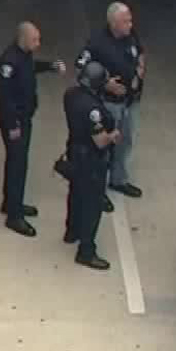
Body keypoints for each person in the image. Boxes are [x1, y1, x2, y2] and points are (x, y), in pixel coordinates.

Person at [0, 20, 63, 238]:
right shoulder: (8, 62)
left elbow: (31, 68)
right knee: (18, 164)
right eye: (35, 40)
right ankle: (14, 216)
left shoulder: (24, 56)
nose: (38, 43)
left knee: (17, 161)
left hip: (24, 118)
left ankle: (11, 202)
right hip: (15, 121)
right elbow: (5, 98)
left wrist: (50, 66)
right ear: (22, 38)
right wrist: (13, 125)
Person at [76, 1, 145, 199]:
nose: (130, 24)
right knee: (104, 146)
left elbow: (140, 53)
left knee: (126, 141)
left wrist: (139, 73)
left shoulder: (130, 35)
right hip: (109, 104)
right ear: (113, 23)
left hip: (130, 101)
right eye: (125, 21)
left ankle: (119, 180)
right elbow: (80, 67)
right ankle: (99, 188)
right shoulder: (97, 43)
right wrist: (105, 83)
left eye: (130, 20)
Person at [61, 61, 122, 271]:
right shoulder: (93, 110)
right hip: (91, 160)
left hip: (74, 152)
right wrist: (113, 135)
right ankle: (86, 251)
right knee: (92, 205)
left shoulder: (71, 95)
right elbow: (100, 140)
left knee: (75, 193)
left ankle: (72, 231)